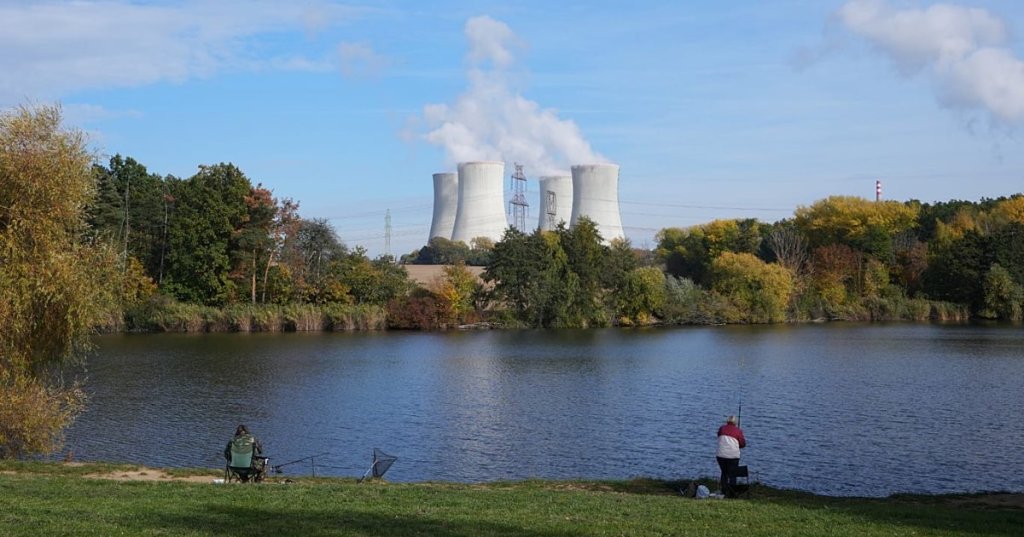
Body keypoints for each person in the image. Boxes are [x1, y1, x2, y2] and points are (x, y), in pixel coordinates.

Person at [716, 415, 746, 498]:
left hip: (720, 455)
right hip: (733, 456)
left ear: (727, 421)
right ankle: (732, 493)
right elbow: (743, 444)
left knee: (724, 472)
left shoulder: (722, 428)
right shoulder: (738, 431)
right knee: (733, 474)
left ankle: (723, 491)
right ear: (735, 422)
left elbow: (719, 437)